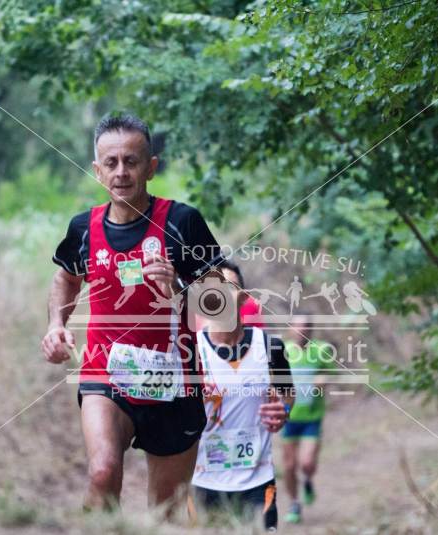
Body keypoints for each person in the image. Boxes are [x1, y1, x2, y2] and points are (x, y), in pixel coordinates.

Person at [41, 113, 223, 514]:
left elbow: (224, 309)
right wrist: (56, 324)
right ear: (97, 170)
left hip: (175, 383)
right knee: (102, 471)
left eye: (132, 161)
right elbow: (67, 280)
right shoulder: (83, 229)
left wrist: (177, 290)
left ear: (151, 167)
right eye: (111, 162)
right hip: (106, 373)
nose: (121, 172)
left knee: (167, 513)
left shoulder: (182, 223)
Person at [191, 261, 295, 531]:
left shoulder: (271, 346)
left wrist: (282, 411)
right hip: (202, 479)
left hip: (257, 480)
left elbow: (287, 395)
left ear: (244, 297)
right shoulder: (191, 349)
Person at [281, 317, 335, 523]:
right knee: (288, 465)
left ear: (311, 330)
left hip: (312, 416)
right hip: (288, 415)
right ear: (291, 328)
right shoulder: (282, 349)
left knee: (307, 462)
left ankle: (308, 481)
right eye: (298, 326)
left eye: (306, 327)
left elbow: (331, 374)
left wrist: (322, 380)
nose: (302, 330)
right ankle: (294, 504)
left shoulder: (321, 349)